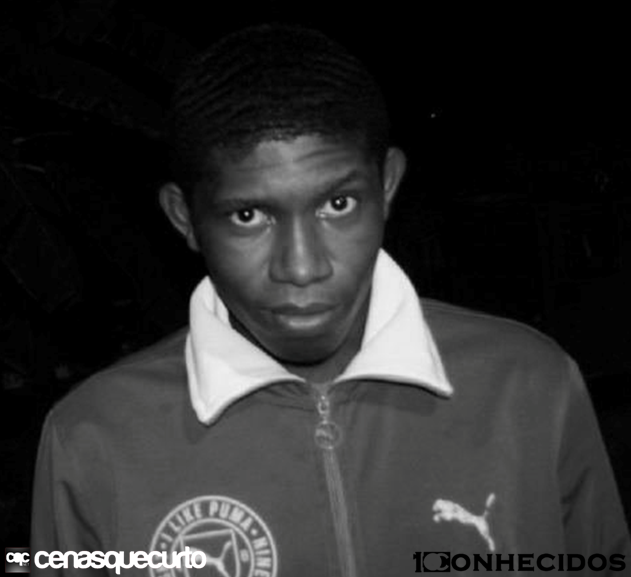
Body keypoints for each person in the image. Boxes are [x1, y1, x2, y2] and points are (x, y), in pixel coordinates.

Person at [31, 23, 630, 577]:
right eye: (248, 215)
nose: (302, 267)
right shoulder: (94, 438)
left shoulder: (531, 387)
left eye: (337, 204)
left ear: (387, 185)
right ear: (184, 217)